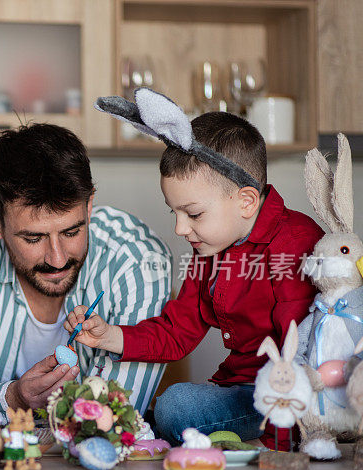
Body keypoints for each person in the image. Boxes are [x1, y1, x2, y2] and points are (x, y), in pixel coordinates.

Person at [66, 112, 324, 449]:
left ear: (245, 201)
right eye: (174, 212)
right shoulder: (210, 251)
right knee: (167, 408)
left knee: (175, 407)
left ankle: (253, 440)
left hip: (291, 396)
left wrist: (280, 451)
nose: (180, 228)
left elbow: (302, 357)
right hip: (241, 389)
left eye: (194, 214)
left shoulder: (294, 243)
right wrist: (108, 336)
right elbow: (177, 332)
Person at [0, 123, 172, 425]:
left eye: (72, 231)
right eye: (33, 239)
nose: (57, 258)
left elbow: (117, 410)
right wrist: (13, 397)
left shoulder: (136, 258)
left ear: (89, 207)